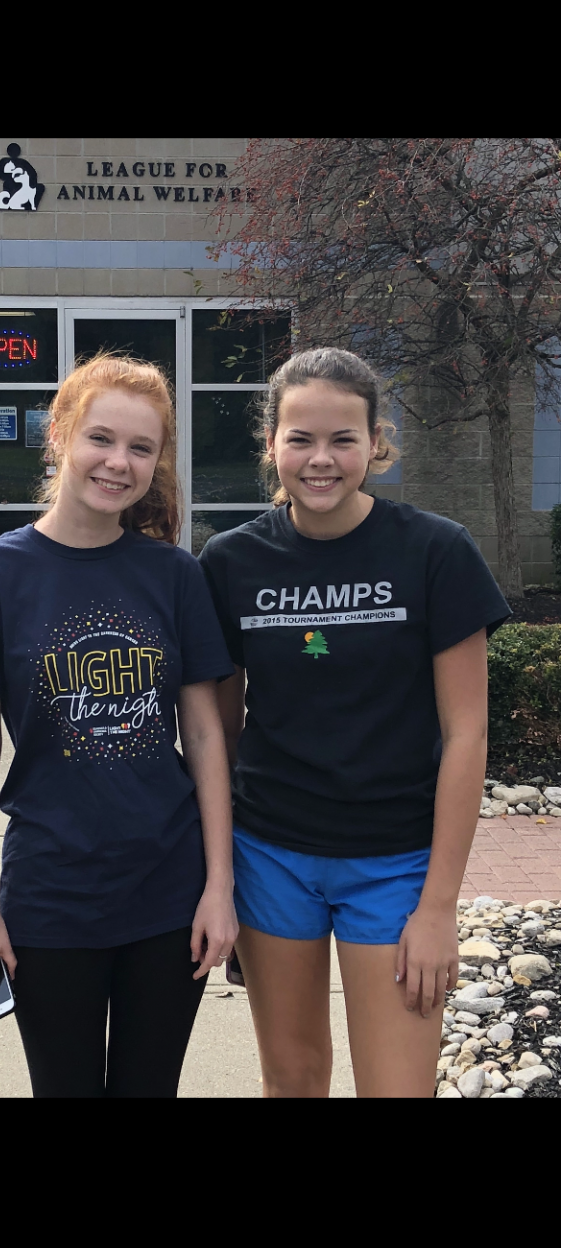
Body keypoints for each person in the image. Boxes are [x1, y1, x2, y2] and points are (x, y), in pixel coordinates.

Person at [199, 347, 511, 1098]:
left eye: (343, 439)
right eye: (301, 438)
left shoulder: (436, 551)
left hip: (396, 862)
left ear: (376, 442)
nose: (321, 459)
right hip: (271, 855)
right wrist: (220, 875)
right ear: (271, 443)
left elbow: (467, 735)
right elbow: (219, 735)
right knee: (293, 1079)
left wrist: (439, 907)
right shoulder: (231, 561)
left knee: (397, 1088)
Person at [0, 355, 238, 1098]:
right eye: (101, 438)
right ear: (60, 435)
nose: (118, 462)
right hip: (50, 895)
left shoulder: (174, 575)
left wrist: (220, 887)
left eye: (141, 447)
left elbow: (205, 738)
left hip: (169, 892)